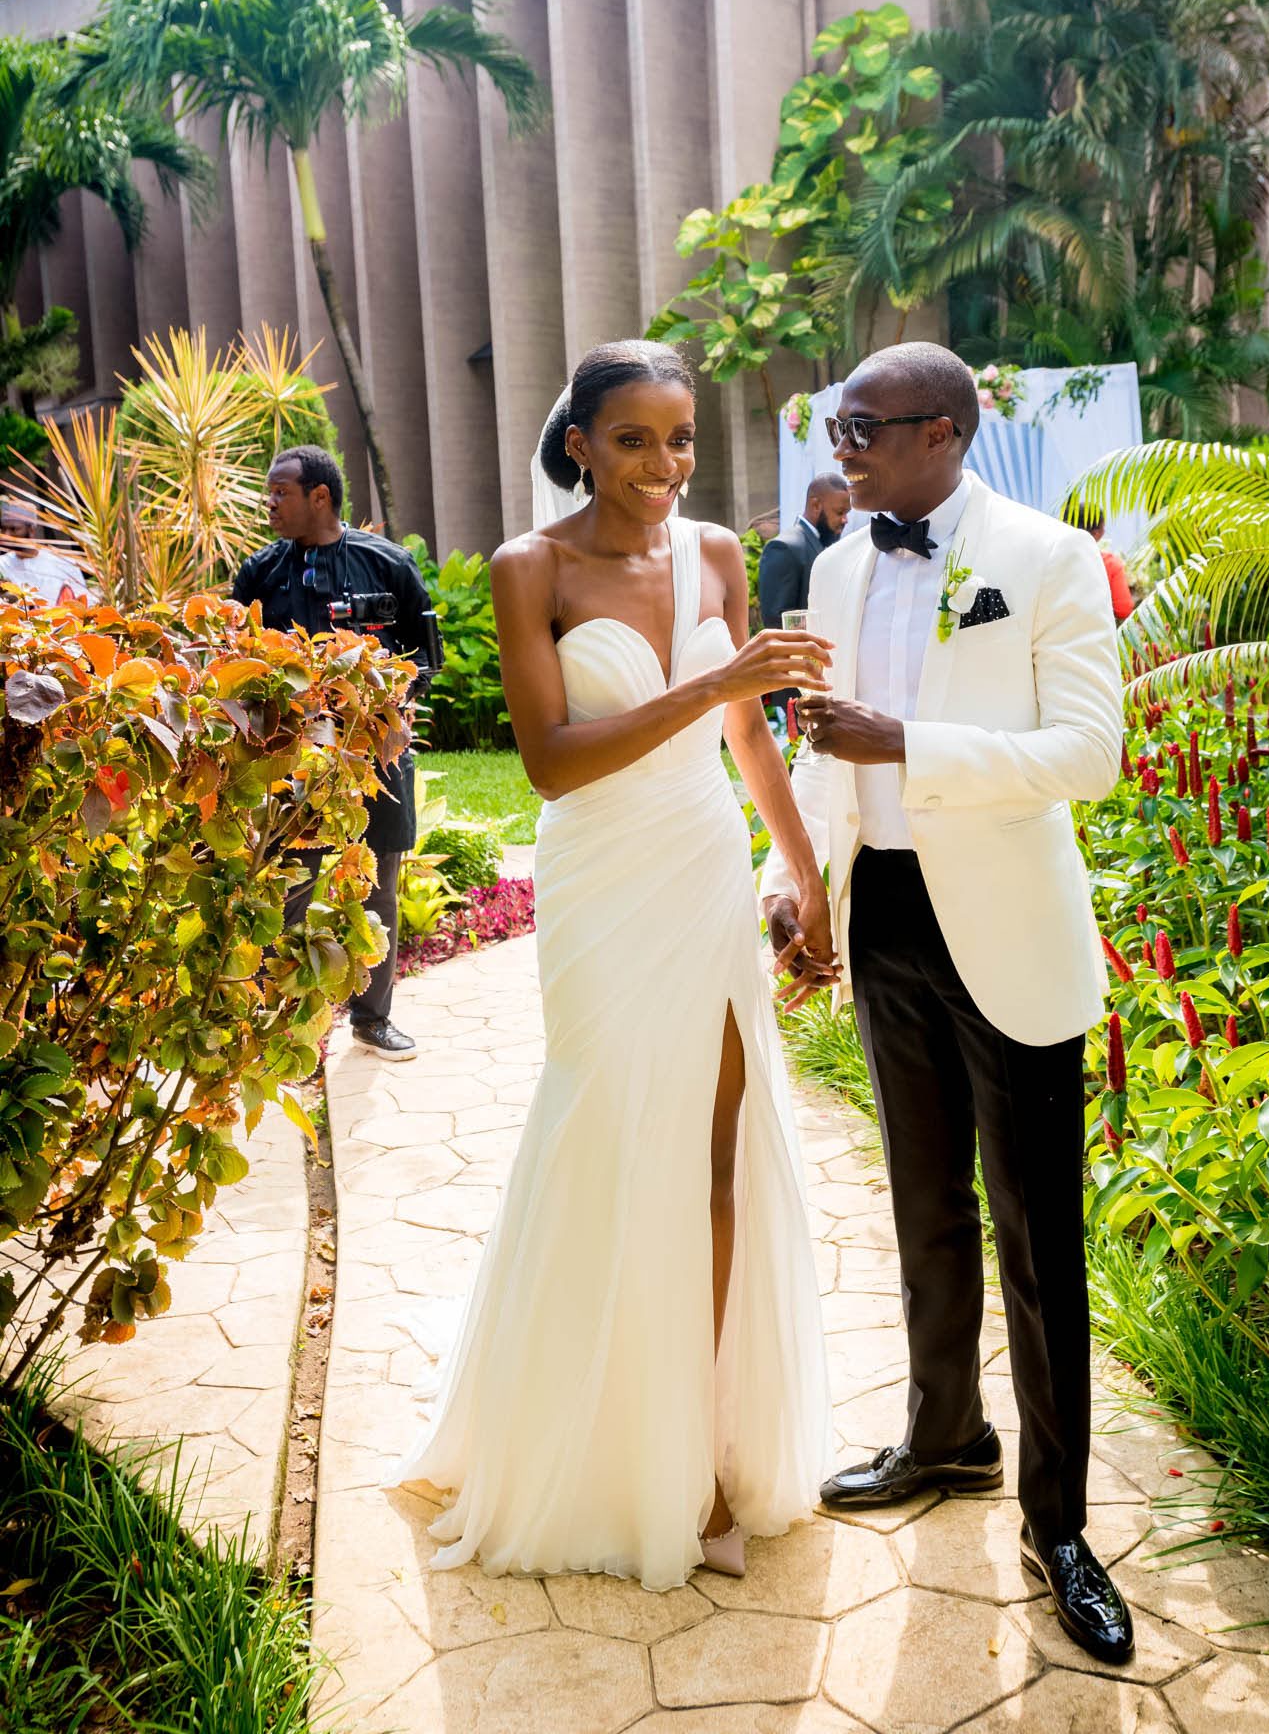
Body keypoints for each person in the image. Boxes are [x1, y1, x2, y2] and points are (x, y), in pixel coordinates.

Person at [384, 341, 836, 1589]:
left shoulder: (720, 555)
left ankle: (701, 1463)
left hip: (703, 862)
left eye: (679, 438)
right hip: (602, 874)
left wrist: (805, 872)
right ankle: (594, 1440)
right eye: (634, 439)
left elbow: (749, 735)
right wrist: (723, 679)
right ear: (580, 443)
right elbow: (550, 761)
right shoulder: (528, 567)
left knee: (714, 1156)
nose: (663, 464)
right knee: (608, 1128)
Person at [762, 342, 1135, 1666]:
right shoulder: (834, 565)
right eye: (837, 425)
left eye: (863, 426)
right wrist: (795, 883)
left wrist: (908, 742)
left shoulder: (1044, 557)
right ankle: (944, 1437)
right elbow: (820, 751)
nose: (841, 447)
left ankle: (1060, 1525)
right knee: (923, 1207)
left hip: (1007, 927)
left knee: (1037, 1236)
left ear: (943, 431)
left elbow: (1088, 753)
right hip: (884, 916)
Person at [232, 446, 433, 1062]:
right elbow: (235, 665)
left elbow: (426, 660)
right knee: (288, 886)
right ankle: (279, 1028)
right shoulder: (258, 574)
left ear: (320, 496)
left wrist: (385, 706)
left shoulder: (388, 564)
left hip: (377, 758)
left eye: (281, 492)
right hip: (291, 760)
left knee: (378, 888)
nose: (269, 504)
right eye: (269, 493)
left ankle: (373, 1020)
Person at [757, 472, 852, 629]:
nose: (845, 520)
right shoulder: (783, 548)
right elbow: (776, 623)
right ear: (816, 505)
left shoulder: (822, 545)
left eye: (847, 513)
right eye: (839, 512)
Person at [0, 499, 89, 602]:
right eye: (3, 529)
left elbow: (85, 601)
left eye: (14, 529)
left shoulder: (63, 562)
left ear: (31, 530)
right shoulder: (2, 564)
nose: (6, 535)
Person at [1070, 508, 1135, 623]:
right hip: (1093, 630)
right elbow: (1123, 609)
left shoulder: (1050, 557)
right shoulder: (1109, 564)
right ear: (1097, 533)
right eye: (1103, 528)